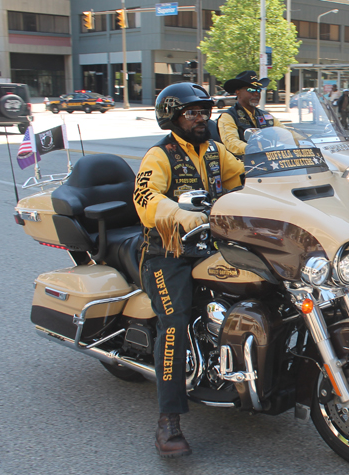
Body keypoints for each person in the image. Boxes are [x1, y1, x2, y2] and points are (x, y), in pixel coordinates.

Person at [133, 82, 244, 458]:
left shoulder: (215, 151)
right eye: (192, 112)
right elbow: (145, 198)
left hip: (212, 246)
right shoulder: (160, 155)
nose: (201, 118)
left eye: (204, 111)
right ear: (173, 117)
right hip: (169, 252)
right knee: (175, 322)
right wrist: (179, 215)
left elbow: (243, 178)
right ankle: (168, 420)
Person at [217, 70, 284, 157]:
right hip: (242, 165)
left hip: (268, 163)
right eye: (251, 90)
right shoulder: (228, 116)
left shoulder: (265, 116)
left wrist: (304, 139)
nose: (256, 94)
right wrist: (249, 148)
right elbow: (231, 141)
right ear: (238, 92)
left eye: (258, 90)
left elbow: (285, 133)